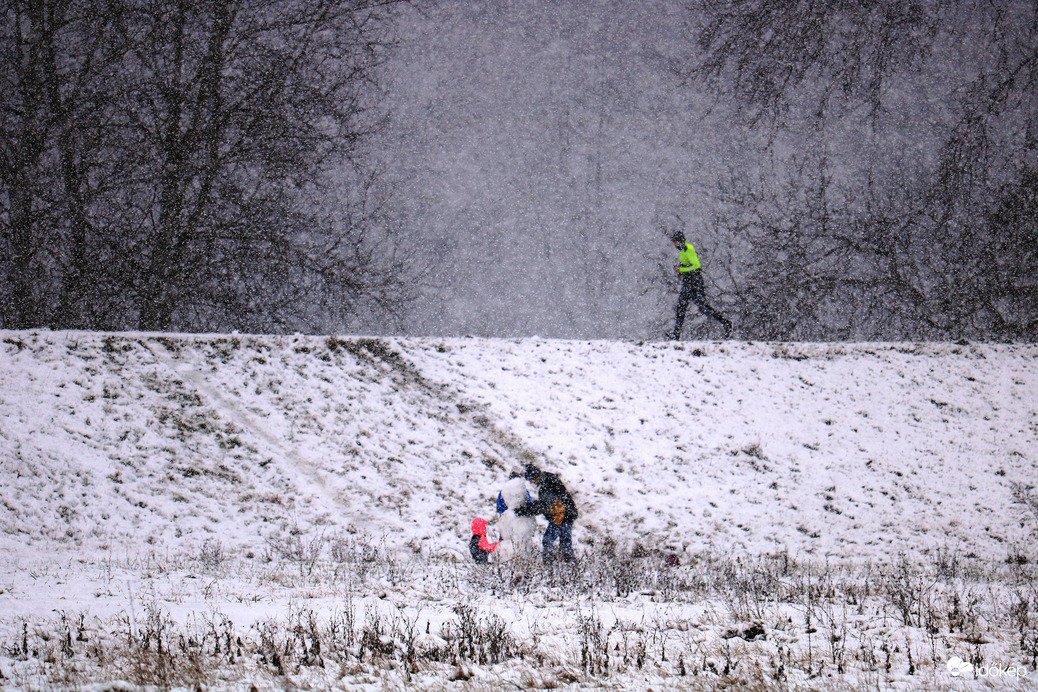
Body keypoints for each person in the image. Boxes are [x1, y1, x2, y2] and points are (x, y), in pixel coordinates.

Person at [667, 231, 732, 340]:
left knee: (702, 307)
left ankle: (726, 323)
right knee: (681, 307)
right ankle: (676, 334)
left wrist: (682, 269)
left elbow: (696, 265)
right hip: (688, 281)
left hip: (694, 282)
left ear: (680, 241)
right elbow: (688, 264)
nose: (674, 244)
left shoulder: (688, 249)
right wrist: (680, 268)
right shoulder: (683, 250)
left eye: (675, 242)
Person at [514, 464, 578, 562]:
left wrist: (525, 511)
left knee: (548, 540)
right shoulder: (549, 479)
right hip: (568, 513)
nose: (531, 482)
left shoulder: (547, 485)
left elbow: (544, 506)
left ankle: (549, 564)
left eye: (531, 480)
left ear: (535, 477)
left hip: (560, 516)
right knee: (565, 542)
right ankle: (570, 565)